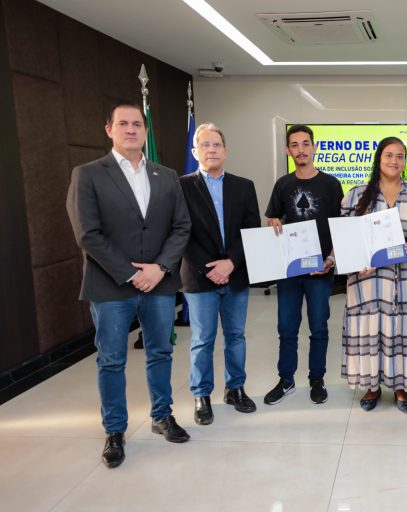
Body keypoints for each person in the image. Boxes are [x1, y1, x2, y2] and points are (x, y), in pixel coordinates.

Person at [66, 103, 191, 468]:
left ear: (145, 130)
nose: (131, 129)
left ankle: (162, 416)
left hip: (160, 284)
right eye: (123, 123)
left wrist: (160, 268)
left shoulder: (166, 175)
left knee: (161, 353)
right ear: (109, 129)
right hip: (110, 286)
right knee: (111, 360)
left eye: (138, 124)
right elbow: (87, 233)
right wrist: (132, 273)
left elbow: (181, 226)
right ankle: (115, 430)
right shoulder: (87, 174)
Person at [340, 137, 407, 413]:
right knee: (372, 330)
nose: (394, 161)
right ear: (378, 159)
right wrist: (353, 259)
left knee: (402, 331)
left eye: (400, 156)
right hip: (368, 278)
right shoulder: (357, 194)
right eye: (388, 155)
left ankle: (400, 386)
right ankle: (372, 386)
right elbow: (346, 236)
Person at [180, 123, 261, 425]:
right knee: (202, 338)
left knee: (236, 335)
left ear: (225, 151)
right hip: (199, 278)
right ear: (195, 151)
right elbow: (181, 233)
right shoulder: (181, 186)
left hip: (236, 274)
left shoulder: (244, 186)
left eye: (216, 145)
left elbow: (252, 229)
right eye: (205, 145)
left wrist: (231, 263)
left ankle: (235, 388)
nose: (211, 150)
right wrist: (210, 267)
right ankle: (202, 395)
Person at [263, 124, 343, 405]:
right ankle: (286, 380)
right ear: (288, 150)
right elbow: (272, 220)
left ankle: (316, 379)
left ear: (314, 147)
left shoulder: (331, 184)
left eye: (305, 143)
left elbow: (340, 228)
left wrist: (330, 260)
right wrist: (273, 222)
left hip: (319, 270)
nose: (301, 149)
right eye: (294, 145)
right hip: (290, 271)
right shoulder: (283, 184)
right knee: (286, 326)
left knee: (319, 327)